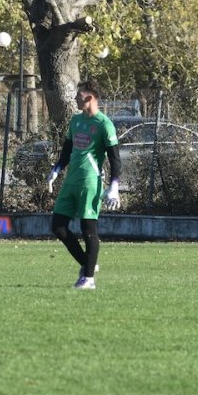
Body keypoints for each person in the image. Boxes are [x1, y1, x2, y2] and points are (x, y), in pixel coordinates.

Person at [45, 79, 122, 290]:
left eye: (78, 95)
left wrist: (114, 186)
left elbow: (115, 158)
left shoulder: (104, 124)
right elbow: (67, 150)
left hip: (90, 182)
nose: (75, 98)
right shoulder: (75, 121)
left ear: (89, 97)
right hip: (70, 181)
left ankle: (88, 279)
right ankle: (88, 264)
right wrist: (56, 170)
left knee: (88, 229)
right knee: (58, 227)